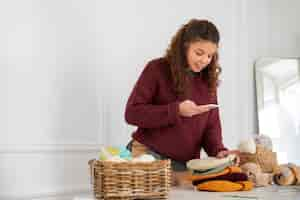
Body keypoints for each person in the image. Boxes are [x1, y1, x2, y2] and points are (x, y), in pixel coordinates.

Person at [125, 19, 239, 185]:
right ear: (184, 46)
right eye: (199, 53)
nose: (204, 60)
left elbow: (211, 128)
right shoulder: (157, 69)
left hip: (184, 166)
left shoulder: (208, 83)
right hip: (148, 155)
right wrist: (176, 110)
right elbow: (132, 113)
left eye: (209, 55)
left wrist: (219, 151)